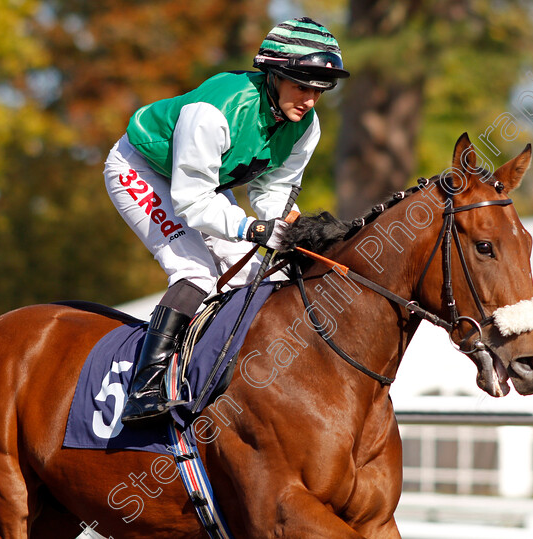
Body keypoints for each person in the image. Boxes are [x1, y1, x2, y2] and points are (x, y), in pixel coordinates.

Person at [104, 17, 350, 425]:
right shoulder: (214, 112)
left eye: (319, 90)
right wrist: (255, 229)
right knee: (195, 270)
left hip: (204, 183)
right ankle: (145, 387)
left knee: (259, 274)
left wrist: (281, 230)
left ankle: (223, 375)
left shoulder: (305, 126)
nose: (309, 100)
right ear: (274, 75)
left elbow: (273, 190)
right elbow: (192, 201)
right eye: (301, 86)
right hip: (142, 170)